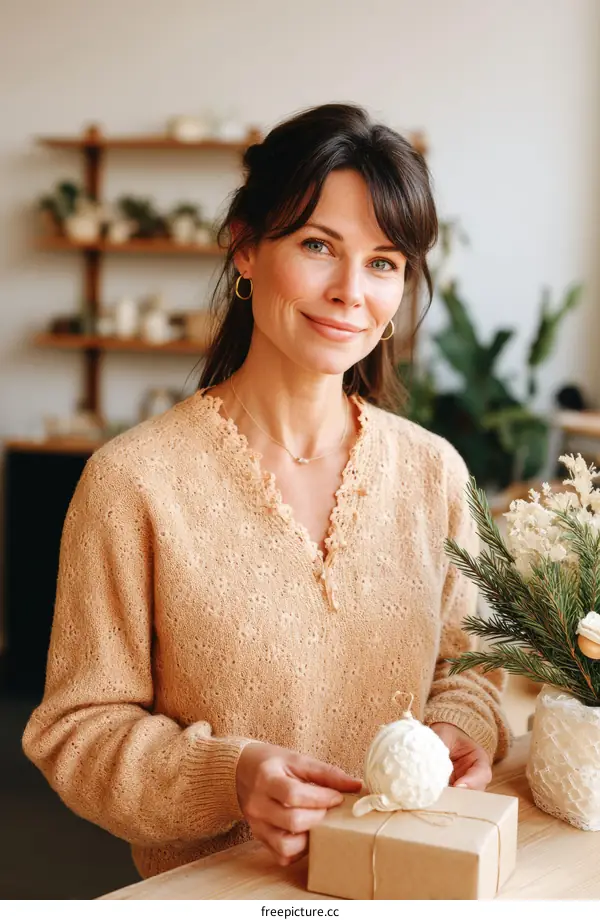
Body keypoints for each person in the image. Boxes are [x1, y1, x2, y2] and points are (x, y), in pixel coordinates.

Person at [23, 103, 510, 881]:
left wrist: (459, 725)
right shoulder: (132, 482)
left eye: (384, 262)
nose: (351, 291)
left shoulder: (435, 474)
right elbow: (77, 730)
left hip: (409, 884)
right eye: (319, 246)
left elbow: (472, 666)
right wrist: (231, 776)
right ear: (245, 248)